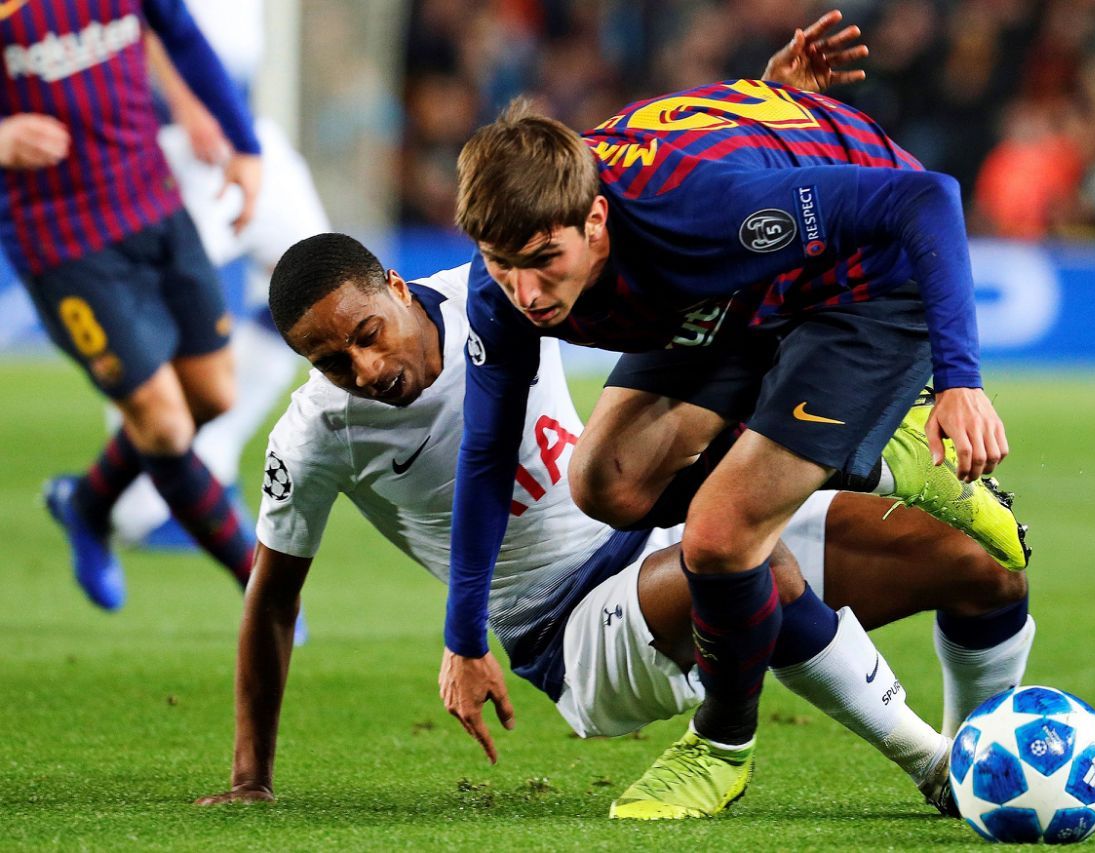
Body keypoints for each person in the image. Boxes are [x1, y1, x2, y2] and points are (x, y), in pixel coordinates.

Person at [193, 235, 1033, 816]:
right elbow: (271, 600)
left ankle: (981, 746)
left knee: (978, 564)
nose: (363, 371)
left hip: (655, 530)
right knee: (746, 559)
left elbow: (608, 205)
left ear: (396, 288)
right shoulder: (313, 434)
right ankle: (937, 766)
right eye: (330, 362)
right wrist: (250, 777)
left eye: (366, 337)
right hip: (570, 631)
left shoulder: (501, 290)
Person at [446, 16, 1030, 818]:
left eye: (545, 262)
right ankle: (860, 460)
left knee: (721, 534)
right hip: (736, 294)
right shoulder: (509, 285)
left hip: (868, 286)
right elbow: (487, 451)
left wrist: (963, 382)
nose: (528, 294)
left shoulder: (701, 211)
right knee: (604, 480)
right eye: (501, 266)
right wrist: (463, 634)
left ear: (595, 221)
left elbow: (927, 197)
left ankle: (720, 748)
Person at [0, 0, 263, 610]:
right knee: (163, 421)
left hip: (154, 206)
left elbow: (182, 35)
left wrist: (244, 143)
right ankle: (263, 587)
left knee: (212, 397)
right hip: (62, 243)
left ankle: (86, 504)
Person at [108, 0, 331, 549]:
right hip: (177, 137)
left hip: (244, 126)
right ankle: (137, 501)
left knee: (318, 284)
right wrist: (185, 102)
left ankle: (208, 458)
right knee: (156, 320)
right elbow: (142, 20)